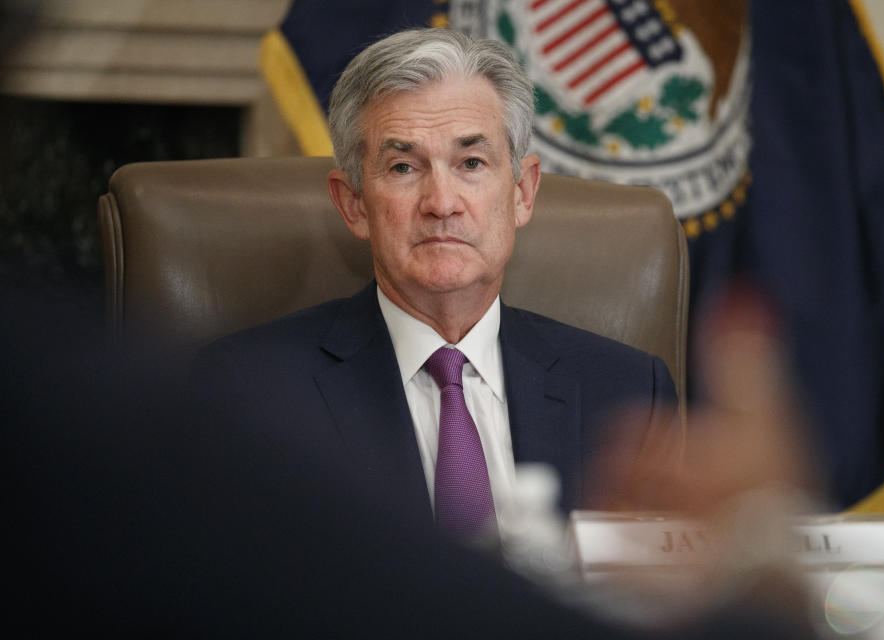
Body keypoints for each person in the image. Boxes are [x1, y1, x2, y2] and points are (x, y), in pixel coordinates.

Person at [195, 28, 678, 537]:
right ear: (353, 204)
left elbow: (665, 602)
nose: (441, 202)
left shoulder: (629, 396)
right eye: (403, 167)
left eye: (471, 162)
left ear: (522, 194)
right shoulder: (246, 393)